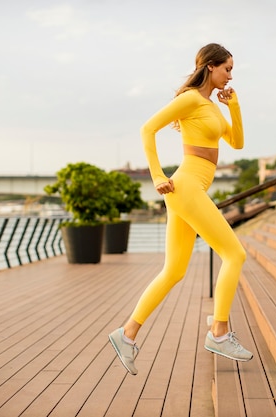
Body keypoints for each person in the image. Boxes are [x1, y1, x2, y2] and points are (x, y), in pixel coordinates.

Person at [109, 43, 252, 375]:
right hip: (184, 186)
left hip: (190, 190)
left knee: (173, 271)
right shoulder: (189, 99)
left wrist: (234, 106)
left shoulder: (211, 106)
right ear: (211, 67)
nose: (230, 75)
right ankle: (218, 331)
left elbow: (238, 143)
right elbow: (148, 129)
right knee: (235, 255)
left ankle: (126, 334)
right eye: (227, 68)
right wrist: (157, 174)